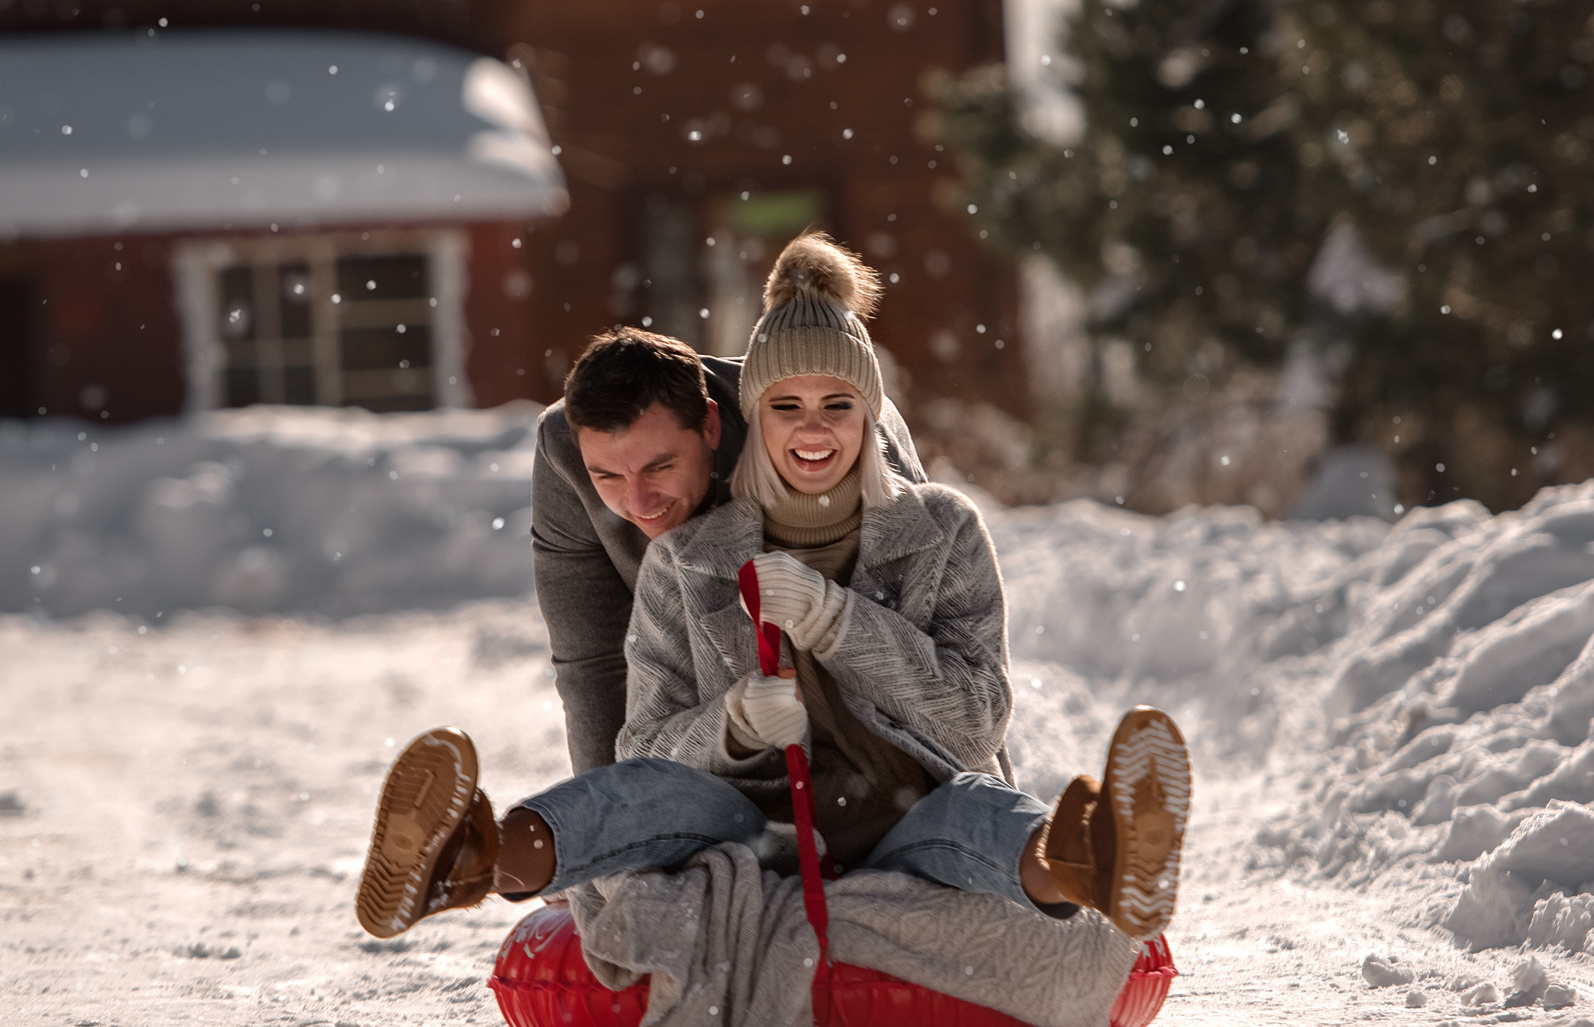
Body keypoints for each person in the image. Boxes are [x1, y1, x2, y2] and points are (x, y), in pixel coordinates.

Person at [355, 233, 1193, 945]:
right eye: (787, 406)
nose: (813, 427)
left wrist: (837, 619)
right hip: (746, 802)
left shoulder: (927, 516)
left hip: (899, 794)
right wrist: (698, 760)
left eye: (836, 404)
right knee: (653, 794)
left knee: (971, 813)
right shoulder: (682, 553)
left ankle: (1090, 856)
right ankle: (474, 853)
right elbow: (605, 690)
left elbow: (965, 711)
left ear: (718, 428)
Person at [530, 321, 925, 774]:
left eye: (660, 467)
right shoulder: (566, 449)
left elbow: (930, 650)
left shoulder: (816, 433)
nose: (638, 503)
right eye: (609, 477)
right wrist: (610, 820)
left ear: (711, 425)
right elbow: (593, 666)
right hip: (713, 734)